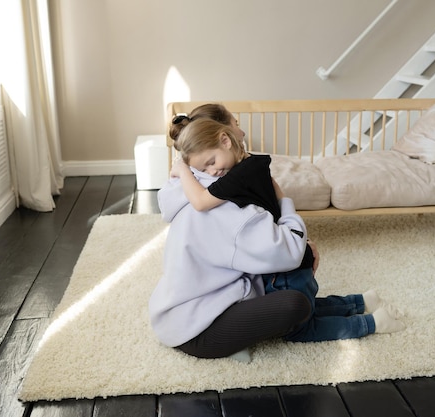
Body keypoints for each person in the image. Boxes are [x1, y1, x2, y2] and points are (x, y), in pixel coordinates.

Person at [148, 104, 404, 361]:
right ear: (224, 138)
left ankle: (359, 302)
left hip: (186, 306)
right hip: (197, 331)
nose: (243, 133)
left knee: (290, 296)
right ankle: (367, 320)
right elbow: (290, 253)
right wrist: (286, 205)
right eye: (236, 126)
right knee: (295, 305)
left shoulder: (191, 183)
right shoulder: (231, 205)